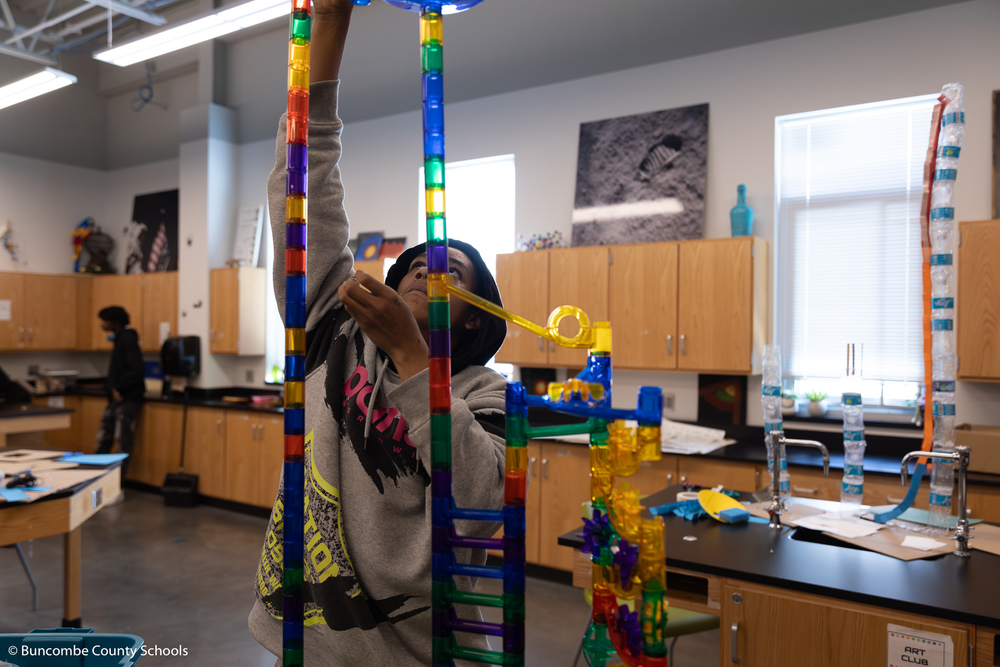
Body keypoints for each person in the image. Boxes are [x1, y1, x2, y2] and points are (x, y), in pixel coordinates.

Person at [248, 2, 509, 665]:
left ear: (475, 314)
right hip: (306, 637)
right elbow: (302, 190)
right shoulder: (334, 334)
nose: (425, 266)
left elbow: (479, 505)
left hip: (417, 650)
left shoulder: (488, 395)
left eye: (450, 271)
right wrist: (329, 29)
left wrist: (413, 356)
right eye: (416, 263)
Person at [96, 306, 145, 475]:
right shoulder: (119, 339)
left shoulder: (128, 340)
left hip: (127, 398)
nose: (102, 324)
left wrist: (119, 388)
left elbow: (136, 370)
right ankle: (96, 477)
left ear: (115, 321)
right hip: (116, 396)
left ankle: (118, 483)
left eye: (105, 320)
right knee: (104, 437)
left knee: (123, 442)